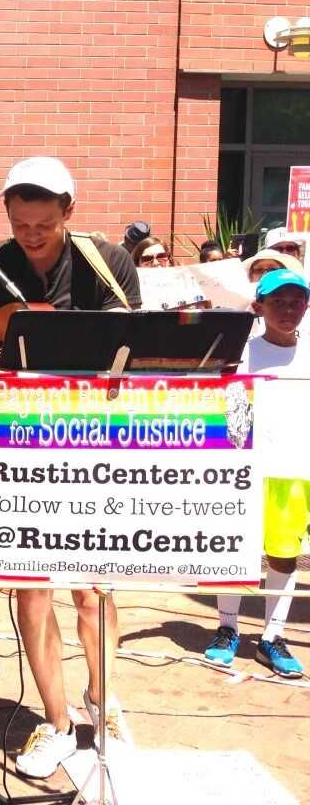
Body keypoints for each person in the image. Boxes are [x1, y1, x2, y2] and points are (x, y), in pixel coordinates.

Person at [0, 156, 142, 781]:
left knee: (93, 585)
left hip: (91, 440)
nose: (30, 236)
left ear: (69, 211)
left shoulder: (108, 263)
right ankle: (58, 721)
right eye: (19, 224)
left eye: (42, 224)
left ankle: (103, 699)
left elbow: (131, 352)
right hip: (18, 439)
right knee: (32, 585)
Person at [203, 268, 309, 679]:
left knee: (284, 554)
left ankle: (272, 637)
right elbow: (224, 409)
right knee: (234, 548)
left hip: (297, 469)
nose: (287, 310)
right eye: (278, 302)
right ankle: (226, 629)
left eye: (296, 301)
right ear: (259, 307)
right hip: (244, 468)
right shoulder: (240, 352)